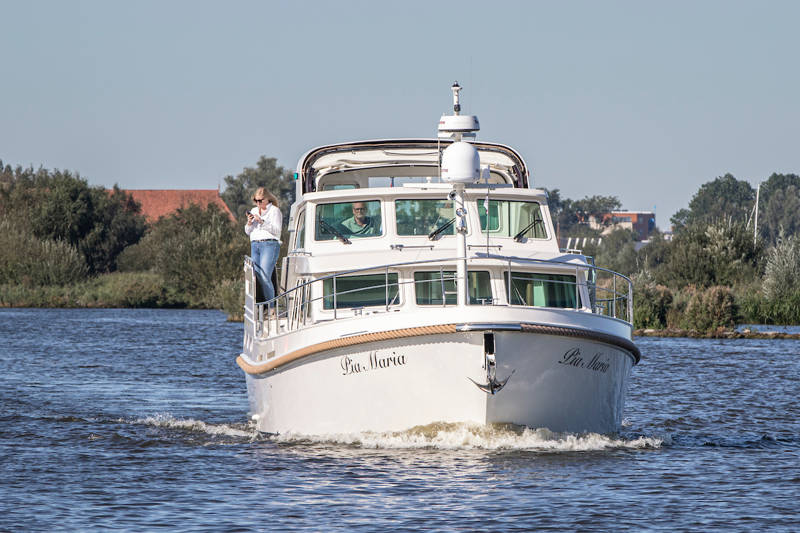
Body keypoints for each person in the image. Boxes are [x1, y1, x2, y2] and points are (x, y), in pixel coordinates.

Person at [245, 187, 282, 302]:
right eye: (256, 201)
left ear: (267, 199)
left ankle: (272, 306)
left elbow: (277, 230)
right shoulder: (254, 210)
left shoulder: (275, 211)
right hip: (255, 244)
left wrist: (262, 222)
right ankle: (266, 304)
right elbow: (247, 231)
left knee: (265, 276)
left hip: (269, 244)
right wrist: (249, 222)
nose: (258, 203)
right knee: (257, 276)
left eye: (260, 200)